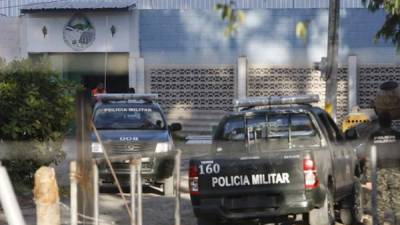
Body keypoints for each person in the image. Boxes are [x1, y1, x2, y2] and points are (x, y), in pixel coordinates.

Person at [368, 111, 400, 225]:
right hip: (396, 171)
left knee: (381, 201)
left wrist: (367, 177)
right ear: (391, 122)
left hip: (380, 171)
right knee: (397, 200)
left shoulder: (374, 136)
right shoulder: (397, 134)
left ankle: (380, 223)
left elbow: (369, 156)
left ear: (380, 122)